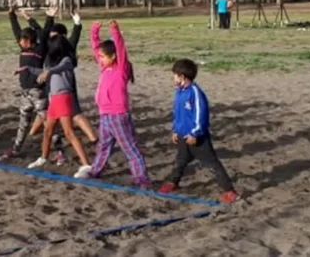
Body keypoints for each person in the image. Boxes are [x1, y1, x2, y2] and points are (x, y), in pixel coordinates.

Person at [76, 20, 150, 186]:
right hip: (105, 114)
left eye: (103, 57)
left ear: (113, 56)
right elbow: (96, 48)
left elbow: (121, 48)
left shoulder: (121, 68)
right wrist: (94, 31)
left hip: (118, 114)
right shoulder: (104, 67)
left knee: (130, 147)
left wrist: (115, 30)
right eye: (100, 57)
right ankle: (96, 170)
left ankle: (141, 178)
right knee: (104, 145)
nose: (100, 59)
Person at [158, 59, 240, 204]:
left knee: (212, 164)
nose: (173, 78)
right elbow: (178, 113)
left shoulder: (195, 93)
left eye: (175, 75)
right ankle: (173, 182)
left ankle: (229, 191)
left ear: (182, 76)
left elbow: (201, 115)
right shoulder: (179, 92)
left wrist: (195, 133)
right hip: (183, 137)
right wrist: (175, 130)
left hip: (198, 139)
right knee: (180, 161)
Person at [22, 35, 91, 177]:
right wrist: (27, 68)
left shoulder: (67, 60)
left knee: (69, 133)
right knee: (48, 131)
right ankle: (43, 158)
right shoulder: (51, 63)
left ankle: (86, 164)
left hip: (64, 98)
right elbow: (43, 71)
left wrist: (48, 71)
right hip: (53, 99)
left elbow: (57, 69)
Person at [26, 11, 98, 146]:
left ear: (62, 36)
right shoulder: (48, 44)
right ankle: (32, 132)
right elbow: (42, 31)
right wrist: (32, 19)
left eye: (54, 34)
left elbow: (74, 38)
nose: (51, 37)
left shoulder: (66, 47)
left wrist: (77, 23)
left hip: (66, 84)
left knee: (75, 111)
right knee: (46, 108)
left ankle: (93, 137)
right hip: (50, 83)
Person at [0, 3, 53, 161]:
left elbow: (45, 32)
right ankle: (16, 149)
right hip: (25, 93)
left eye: (22, 40)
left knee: (48, 123)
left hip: (37, 93)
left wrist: (49, 17)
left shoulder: (39, 51)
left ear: (29, 40)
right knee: (23, 124)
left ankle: (59, 149)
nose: (19, 42)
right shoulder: (24, 49)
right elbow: (16, 30)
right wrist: (11, 14)